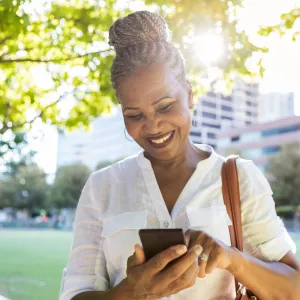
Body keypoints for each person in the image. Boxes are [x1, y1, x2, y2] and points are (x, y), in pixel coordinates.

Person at [59, 11, 300, 300]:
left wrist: (231, 258)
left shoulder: (238, 177)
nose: (152, 126)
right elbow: (75, 294)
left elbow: (293, 289)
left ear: (189, 95)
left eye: (164, 106)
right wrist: (131, 292)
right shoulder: (102, 187)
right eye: (134, 115)